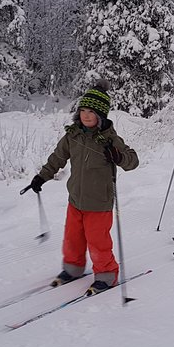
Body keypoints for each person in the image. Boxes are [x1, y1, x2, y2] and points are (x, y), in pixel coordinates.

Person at [27, 79, 139, 296]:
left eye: (92, 112)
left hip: (99, 203)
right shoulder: (73, 135)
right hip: (76, 200)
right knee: (72, 239)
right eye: (83, 110)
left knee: (98, 243)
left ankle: (107, 274)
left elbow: (132, 161)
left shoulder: (109, 139)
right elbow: (57, 158)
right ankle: (73, 268)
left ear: (101, 115)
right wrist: (41, 177)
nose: (86, 115)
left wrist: (117, 156)